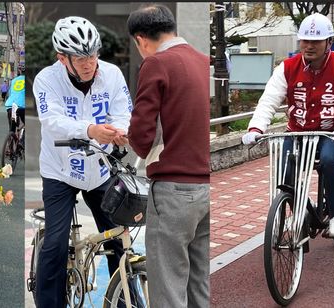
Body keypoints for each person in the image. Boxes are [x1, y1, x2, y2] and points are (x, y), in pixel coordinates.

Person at [33, 16, 131, 308]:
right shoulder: (46, 79)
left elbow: (123, 112)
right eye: (80, 57)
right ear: (62, 58)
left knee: (118, 238)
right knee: (54, 245)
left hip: (101, 169)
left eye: (93, 55)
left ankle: (123, 299)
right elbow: (51, 121)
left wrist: (121, 132)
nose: (89, 63)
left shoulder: (112, 74)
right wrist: (90, 130)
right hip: (59, 170)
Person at [242, 13, 334, 239]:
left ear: (329, 42)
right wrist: (256, 128)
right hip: (297, 132)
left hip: (332, 133)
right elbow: (269, 100)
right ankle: (300, 205)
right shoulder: (287, 68)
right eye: (305, 41)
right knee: (285, 172)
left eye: (316, 41)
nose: (309, 46)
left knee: (331, 161)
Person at [126, 5, 210, 307]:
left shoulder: (157, 64)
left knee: (168, 288)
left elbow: (141, 134)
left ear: (141, 39)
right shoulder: (203, 61)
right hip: (205, 187)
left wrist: (133, 140)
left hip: (173, 190)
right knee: (199, 284)